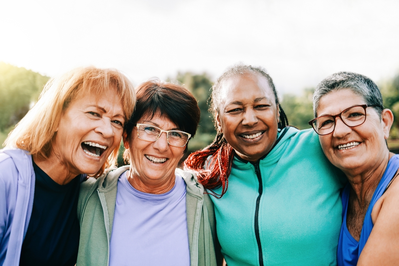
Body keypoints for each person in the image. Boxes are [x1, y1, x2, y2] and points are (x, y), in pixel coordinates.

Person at [185, 64, 346, 266]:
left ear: (277, 111)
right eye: (235, 110)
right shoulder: (209, 172)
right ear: (219, 120)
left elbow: (380, 172)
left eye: (261, 106)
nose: (250, 119)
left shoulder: (319, 146)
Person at [77, 80, 222, 266]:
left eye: (176, 134)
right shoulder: (86, 197)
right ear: (127, 137)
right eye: (149, 129)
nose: (161, 146)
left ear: (185, 146)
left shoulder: (208, 201)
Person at [0, 66, 136, 266]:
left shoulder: (90, 193)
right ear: (55, 117)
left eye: (117, 121)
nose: (107, 131)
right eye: (94, 113)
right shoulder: (5, 175)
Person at [309, 72, 398, 266]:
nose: (340, 131)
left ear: (385, 122)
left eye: (355, 114)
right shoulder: (336, 196)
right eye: (327, 122)